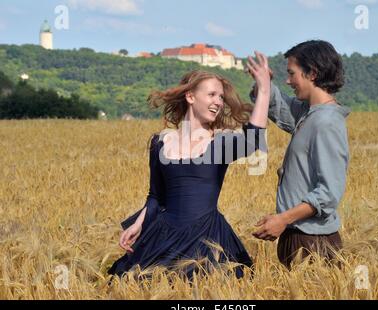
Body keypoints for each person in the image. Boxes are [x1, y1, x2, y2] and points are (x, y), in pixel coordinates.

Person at [108, 52, 271, 279]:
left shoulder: (219, 142)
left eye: (221, 97)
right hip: (163, 237)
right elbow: (155, 195)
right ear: (190, 97)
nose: (218, 102)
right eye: (212, 94)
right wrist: (138, 224)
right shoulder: (160, 143)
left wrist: (264, 90)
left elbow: (254, 140)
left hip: (207, 240)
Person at [251, 40, 350, 269]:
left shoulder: (326, 122)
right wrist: (263, 84)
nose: (288, 81)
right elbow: (280, 108)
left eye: (292, 74)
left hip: (312, 242)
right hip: (298, 235)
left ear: (312, 73)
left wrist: (282, 219)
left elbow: (329, 193)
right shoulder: (310, 114)